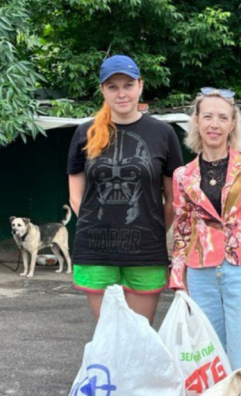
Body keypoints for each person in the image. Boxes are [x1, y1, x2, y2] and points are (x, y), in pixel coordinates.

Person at [66, 55, 184, 324]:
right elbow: (76, 195)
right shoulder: (86, 133)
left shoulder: (163, 133)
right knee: (109, 336)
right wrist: (97, 224)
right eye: (113, 87)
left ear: (140, 85)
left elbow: (173, 197)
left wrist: (152, 229)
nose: (122, 93)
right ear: (102, 90)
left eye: (128, 85)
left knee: (140, 336)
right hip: (96, 250)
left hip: (145, 251)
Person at [170, 88, 241, 371]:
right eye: (207, 116)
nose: (214, 124)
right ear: (196, 121)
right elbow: (181, 229)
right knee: (210, 359)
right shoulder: (183, 175)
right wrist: (178, 277)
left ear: (232, 124)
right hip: (200, 273)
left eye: (222, 117)